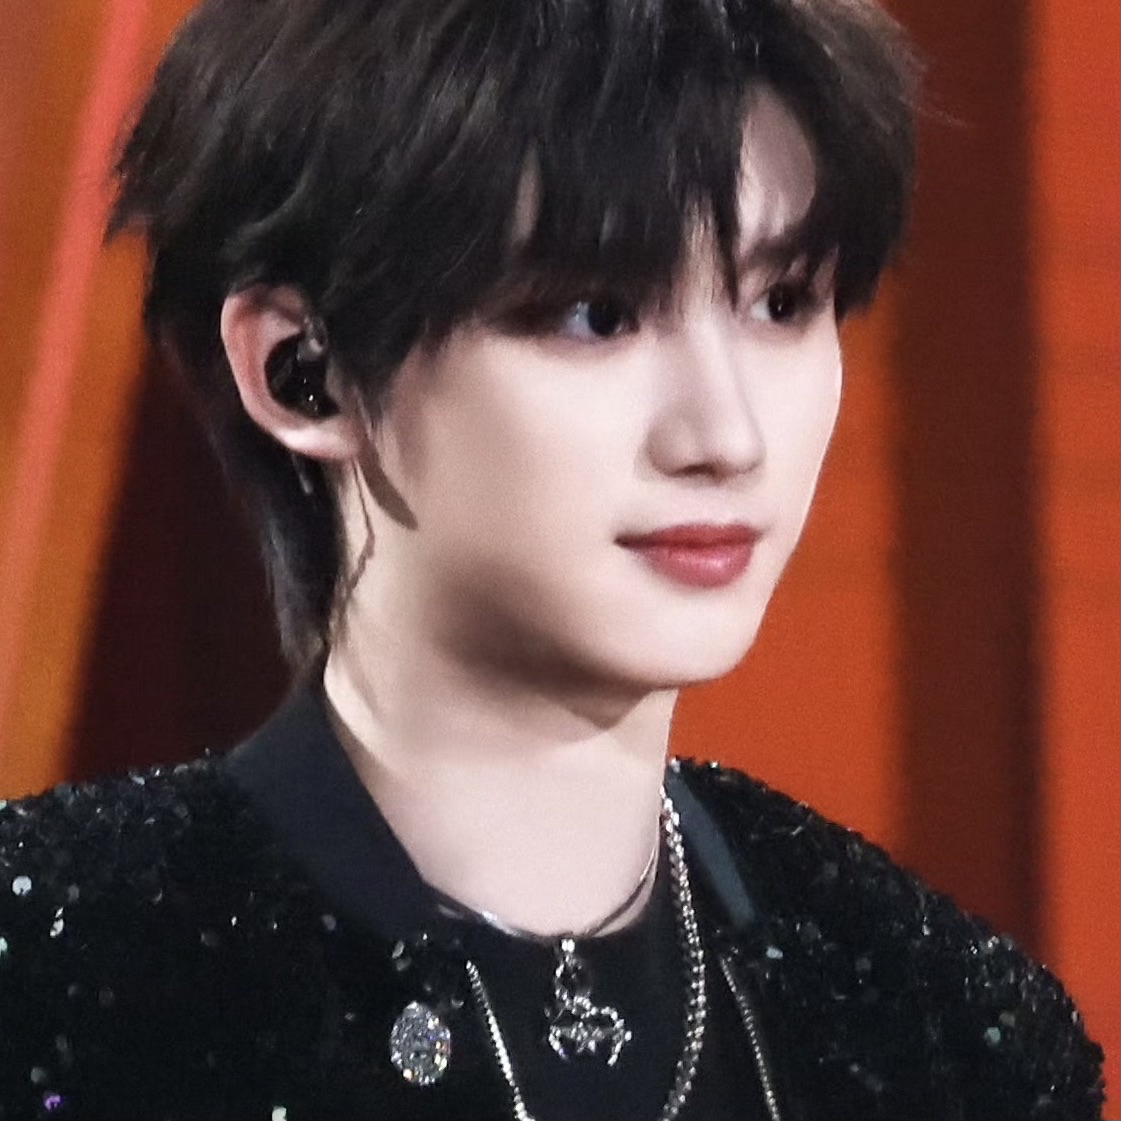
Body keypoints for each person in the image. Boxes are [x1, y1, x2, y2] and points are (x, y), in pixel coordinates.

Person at [0, 0, 1104, 1117]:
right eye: (595, 314)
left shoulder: (942, 1031)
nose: (725, 436)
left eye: (780, 303)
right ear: (305, 371)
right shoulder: (56, 981)